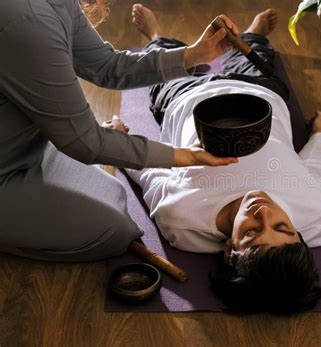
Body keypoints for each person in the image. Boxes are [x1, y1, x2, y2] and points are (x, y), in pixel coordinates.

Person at [125, 6, 321, 314]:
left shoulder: (180, 218)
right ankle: (254, 34)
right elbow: (313, 170)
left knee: (162, 65)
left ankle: (156, 35)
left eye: (251, 233)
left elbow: (148, 173)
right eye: (282, 227)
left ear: (229, 250)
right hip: (260, 96)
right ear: (298, 235)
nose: (263, 212)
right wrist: (320, 135)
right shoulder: (318, 212)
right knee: (255, 54)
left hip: (186, 99)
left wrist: (118, 141)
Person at [0, 0, 240, 262]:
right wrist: (186, 157)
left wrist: (194, 54)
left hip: (30, 152)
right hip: (6, 171)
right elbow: (85, 142)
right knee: (116, 231)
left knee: (114, 194)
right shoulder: (28, 21)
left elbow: (105, 66)